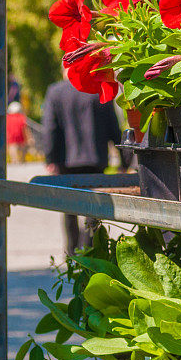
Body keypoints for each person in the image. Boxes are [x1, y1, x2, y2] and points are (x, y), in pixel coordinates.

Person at [43, 70, 122, 255]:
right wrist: (124, 159)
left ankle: (72, 251)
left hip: (65, 161)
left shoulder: (55, 92)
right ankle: (88, 249)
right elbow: (113, 126)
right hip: (96, 159)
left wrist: (51, 159)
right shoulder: (98, 90)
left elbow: (50, 129)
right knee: (93, 206)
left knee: (68, 207)